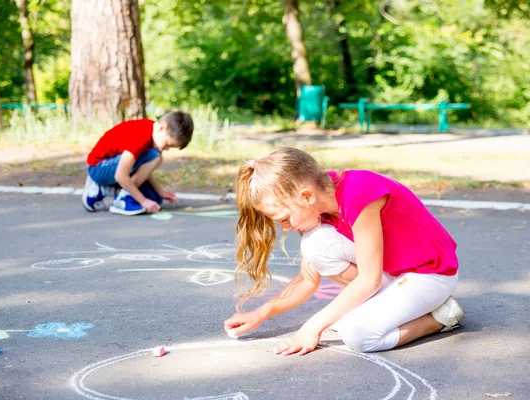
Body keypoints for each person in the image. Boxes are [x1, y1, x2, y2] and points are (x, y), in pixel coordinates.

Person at [224, 147, 464, 355]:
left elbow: (369, 280)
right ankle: (382, 305)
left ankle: (440, 317)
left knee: (358, 335)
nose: (286, 227)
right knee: (314, 245)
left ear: (306, 196)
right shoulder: (319, 199)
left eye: (285, 219)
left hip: (430, 274)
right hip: (394, 274)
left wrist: (312, 326)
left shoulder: (358, 195)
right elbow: (307, 281)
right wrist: (260, 314)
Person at [81, 110, 194, 216]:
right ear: (162, 128)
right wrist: (143, 201)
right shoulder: (141, 136)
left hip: (114, 168)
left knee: (154, 198)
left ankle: (107, 190)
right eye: (167, 144)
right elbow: (120, 175)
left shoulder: (153, 135)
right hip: (99, 167)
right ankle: (121, 198)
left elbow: (143, 170)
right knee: (156, 157)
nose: (167, 149)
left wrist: (160, 192)